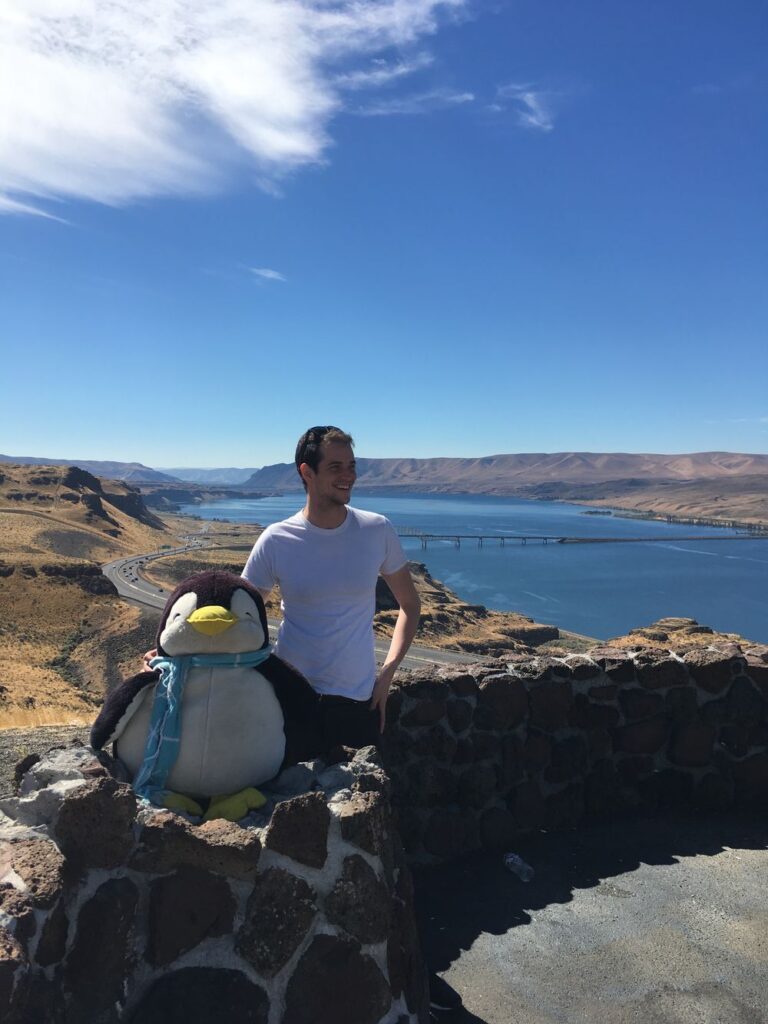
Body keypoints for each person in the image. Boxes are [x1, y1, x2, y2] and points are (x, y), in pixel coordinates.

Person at [241, 425, 421, 750]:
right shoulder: (277, 539)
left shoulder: (377, 529)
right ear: (306, 472)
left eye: (351, 466)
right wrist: (173, 650)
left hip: (357, 703)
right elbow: (238, 613)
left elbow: (410, 605)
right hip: (291, 698)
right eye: (335, 467)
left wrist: (388, 674)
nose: (348, 476)